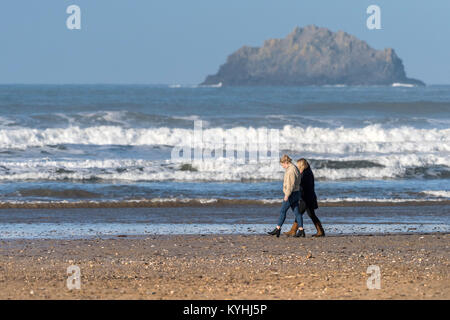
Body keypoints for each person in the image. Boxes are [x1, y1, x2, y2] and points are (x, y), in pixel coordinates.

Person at [284, 158, 325, 237]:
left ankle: (294, 230)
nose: (297, 166)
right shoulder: (306, 172)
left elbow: (303, 186)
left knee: (300, 213)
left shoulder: (306, 174)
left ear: (301, 165)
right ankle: (320, 231)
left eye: (298, 165)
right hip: (308, 198)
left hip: (307, 198)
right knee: (311, 215)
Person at [267, 155, 305, 238]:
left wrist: (287, 195)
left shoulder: (291, 170)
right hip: (296, 192)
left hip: (291, 193)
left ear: (286, 162)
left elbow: (290, 185)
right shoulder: (294, 167)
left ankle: (278, 229)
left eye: (282, 164)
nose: (282, 166)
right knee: (297, 212)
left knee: (282, 211)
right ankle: (301, 230)